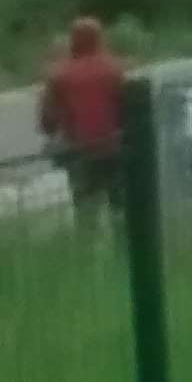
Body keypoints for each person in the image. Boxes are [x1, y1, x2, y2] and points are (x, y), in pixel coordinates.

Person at [39, 16, 126, 231]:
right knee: (119, 208)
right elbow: (127, 109)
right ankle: (123, 253)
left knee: (86, 212)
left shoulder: (60, 75)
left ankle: (88, 257)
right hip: (113, 148)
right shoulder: (114, 69)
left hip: (80, 151)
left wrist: (53, 134)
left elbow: (47, 119)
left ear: (73, 41)